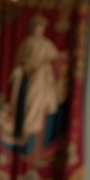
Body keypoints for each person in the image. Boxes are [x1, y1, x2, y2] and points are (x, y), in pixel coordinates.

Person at [10, 15, 61, 149]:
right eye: (36, 27)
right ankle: (25, 136)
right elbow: (20, 60)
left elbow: (55, 59)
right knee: (28, 104)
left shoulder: (46, 44)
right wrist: (27, 66)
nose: (38, 30)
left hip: (41, 79)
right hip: (29, 77)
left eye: (41, 27)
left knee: (37, 106)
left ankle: (34, 141)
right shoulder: (27, 42)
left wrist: (41, 66)